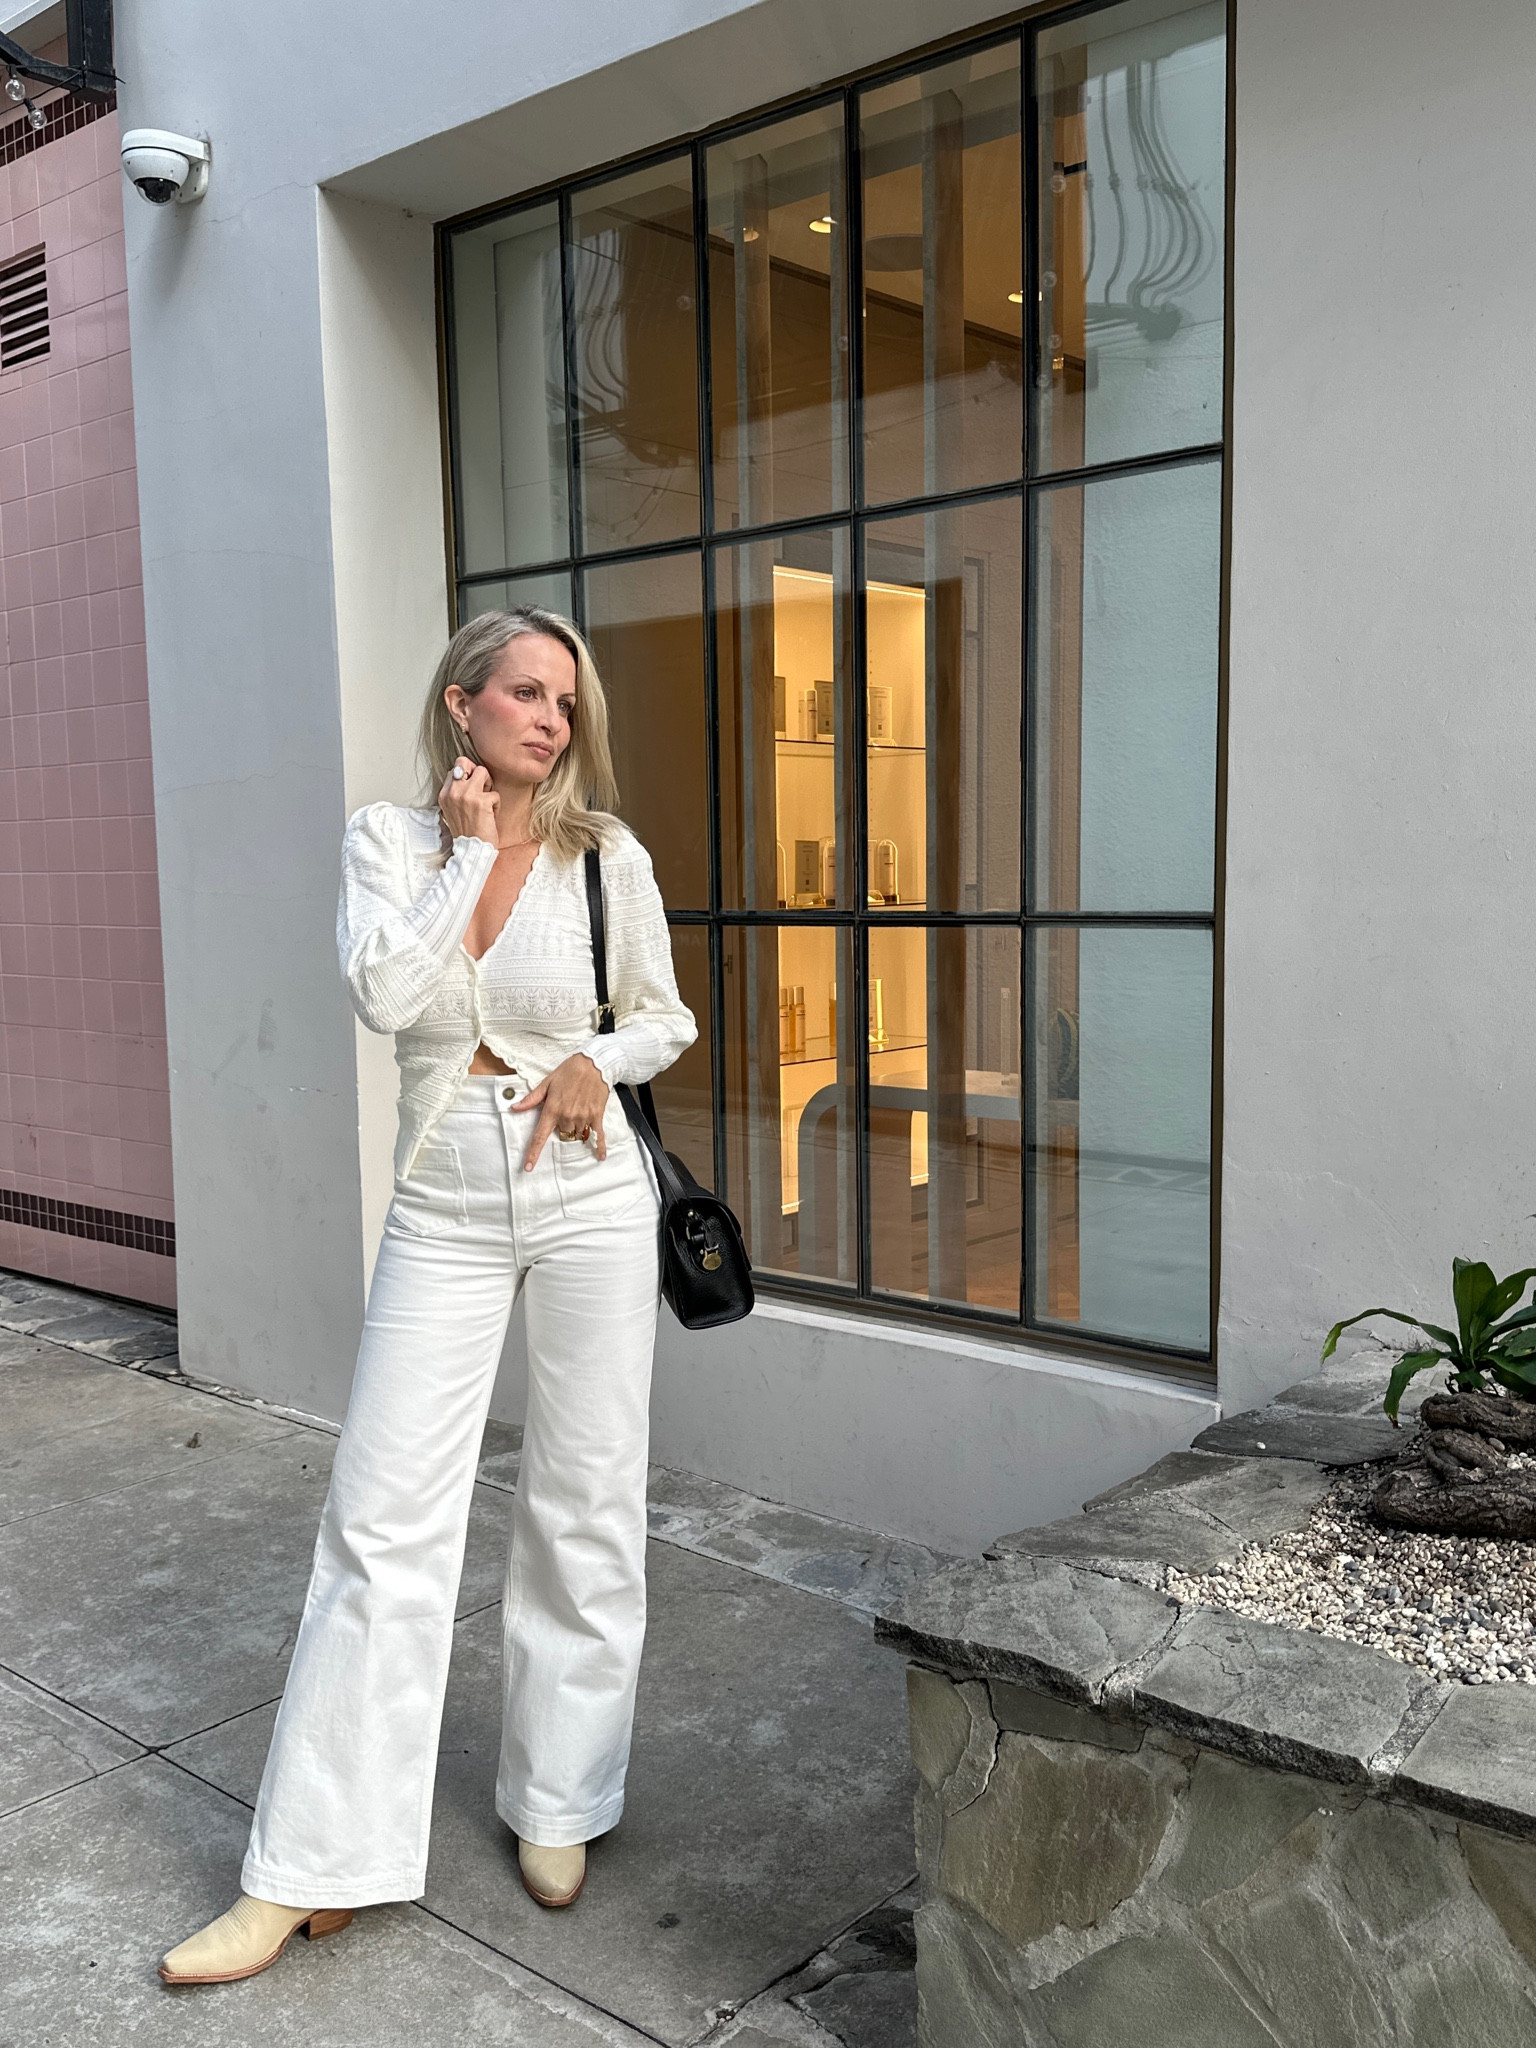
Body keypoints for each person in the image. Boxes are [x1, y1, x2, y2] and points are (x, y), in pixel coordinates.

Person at [158, 607, 696, 1985]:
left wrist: (600, 1061)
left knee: (585, 1500)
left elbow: (665, 1014)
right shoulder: (390, 845)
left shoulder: (605, 855)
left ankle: (560, 1800)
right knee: (381, 1525)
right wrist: (462, 855)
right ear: (462, 704)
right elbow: (388, 995)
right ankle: (308, 1865)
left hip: (588, 1194)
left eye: (565, 704)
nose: (551, 721)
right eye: (525, 693)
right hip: (446, 1196)